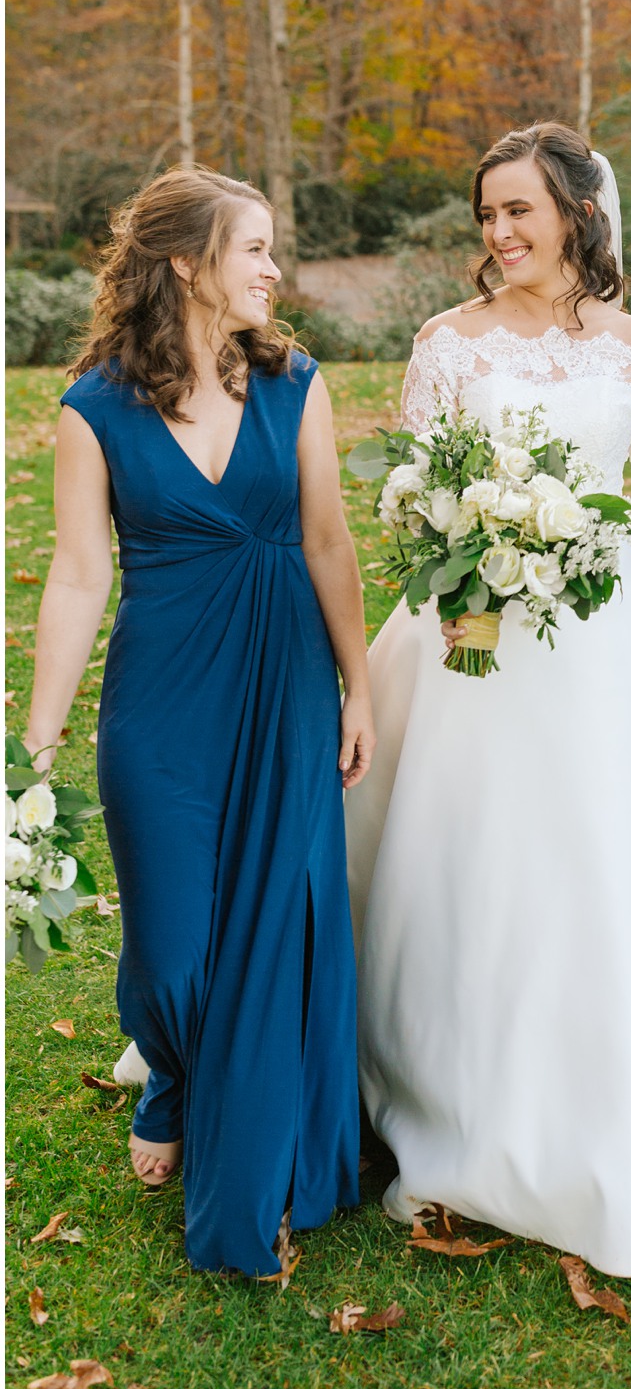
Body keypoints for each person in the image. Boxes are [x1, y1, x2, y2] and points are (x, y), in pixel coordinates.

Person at [344, 122, 631, 1278]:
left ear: (577, 212)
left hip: (605, 637)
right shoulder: (448, 345)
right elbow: (419, 499)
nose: (501, 232)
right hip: (475, 634)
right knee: (476, 855)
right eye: (487, 214)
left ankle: (604, 1099)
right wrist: (465, 579)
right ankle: (450, 1083)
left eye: (520, 210)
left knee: (595, 855)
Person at [24, 168, 372, 1276]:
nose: (276, 269)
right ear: (187, 261)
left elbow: (328, 542)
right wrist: (35, 747)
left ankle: (254, 1186)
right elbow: (80, 578)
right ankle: (172, 1068)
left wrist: (359, 684)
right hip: (161, 702)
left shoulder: (297, 383)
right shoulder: (95, 407)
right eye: (256, 247)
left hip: (286, 690)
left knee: (274, 938)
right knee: (174, 952)